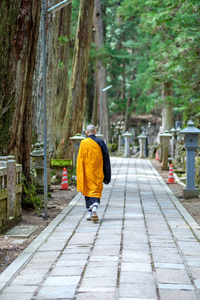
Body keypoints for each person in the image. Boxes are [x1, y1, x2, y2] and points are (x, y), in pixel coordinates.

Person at [77, 124, 111, 222]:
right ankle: (95, 206)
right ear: (95, 132)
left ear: (86, 133)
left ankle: (89, 212)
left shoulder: (83, 143)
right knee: (96, 190)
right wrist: (107, 174)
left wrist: (79, 173)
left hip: (86, 173)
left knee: (87, 190)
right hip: (97, 173)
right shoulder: (100, 142)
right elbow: (106, 159)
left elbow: (80, 160)